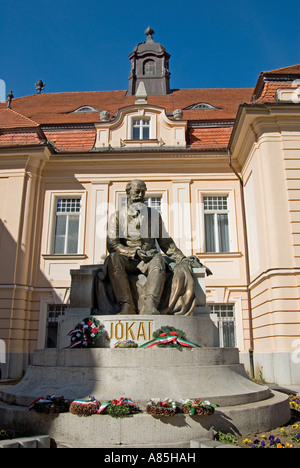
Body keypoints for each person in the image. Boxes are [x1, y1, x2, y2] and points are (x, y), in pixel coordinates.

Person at [104, 179, 208, 315]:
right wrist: (134, 252)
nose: (140, 196)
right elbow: (112, 244)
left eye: (143, 192)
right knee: (113, 258)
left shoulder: (153, 216)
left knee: (158, 259)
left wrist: (182, 258)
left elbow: (166, 243)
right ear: (128, 193)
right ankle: (126, 305)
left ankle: (150, 305)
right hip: (127, 260)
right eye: (137, 192)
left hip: (148, 260)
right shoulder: (117, 217)